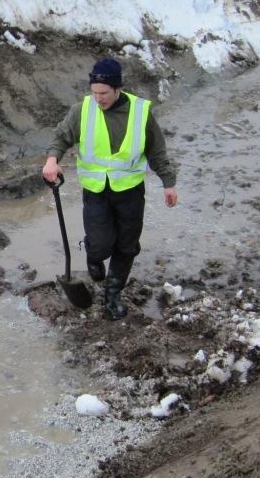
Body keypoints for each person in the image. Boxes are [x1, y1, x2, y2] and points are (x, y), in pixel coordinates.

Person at [42, 58, 178, 319]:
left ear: (118, 89)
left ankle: (112, 296)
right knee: (102, 245)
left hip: (130, 193)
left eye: (104, 93)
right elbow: (61, 137)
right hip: (96, 192)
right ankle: (94, 256)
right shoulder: (82, 110)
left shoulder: (140, 112)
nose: (98, 98)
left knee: (126, 247)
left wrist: (168, 184)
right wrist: (51, 160)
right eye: (94, 93)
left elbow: (157, 151)